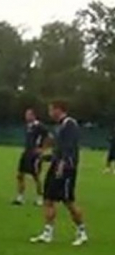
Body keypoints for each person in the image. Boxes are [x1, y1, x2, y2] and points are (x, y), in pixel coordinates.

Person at [30, 101, 88, 246]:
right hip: (56, 166)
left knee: (68, 201)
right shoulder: (59, 126)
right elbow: (59, 149)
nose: (49, 113)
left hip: (67, 169)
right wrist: (46, 158)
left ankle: (82, 231)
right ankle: (48, 233)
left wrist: (63, 164)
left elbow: (70, 148)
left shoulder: (70, 125)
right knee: (48, 199)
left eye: (51, 110)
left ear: (58, 110)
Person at [12, 108, 49, 206]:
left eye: (28, 114)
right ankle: (20, 197)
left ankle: (40, 198)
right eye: (26, 114)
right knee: (20, 175)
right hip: (26, 152)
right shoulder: (28, 126)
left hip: (35, 154)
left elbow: (49, 137)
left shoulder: (40, 126)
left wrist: (42, 149)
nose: (26, 117)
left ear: (33, 115)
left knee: (36, 176)